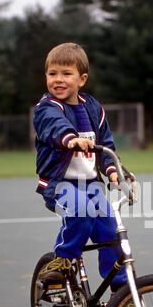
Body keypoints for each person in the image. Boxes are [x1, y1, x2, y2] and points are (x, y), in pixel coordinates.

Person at [33, 42, 127, 293]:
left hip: (91, 185)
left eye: (66, 73)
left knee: (110, 229)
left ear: (82, 79)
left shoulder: (93, 108)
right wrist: (70, 139)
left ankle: (121, 294)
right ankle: (62, 260)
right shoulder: (47, 107)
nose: (58, 80)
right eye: (52, 74)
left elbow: (105, 145)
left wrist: (113, 170)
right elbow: (54, 126)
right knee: (81, 210)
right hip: (59, 185)